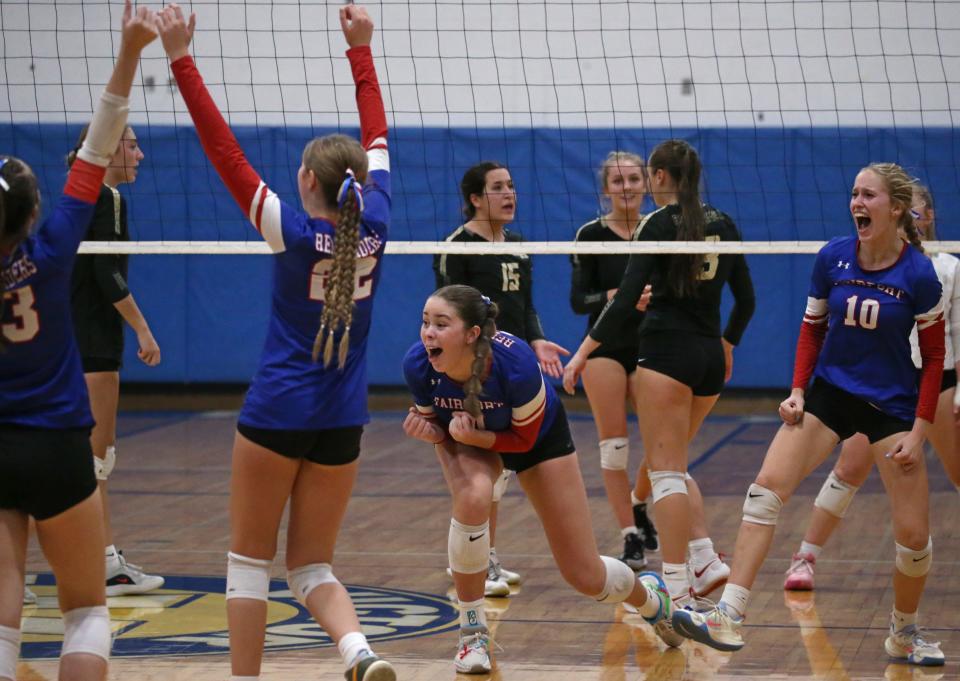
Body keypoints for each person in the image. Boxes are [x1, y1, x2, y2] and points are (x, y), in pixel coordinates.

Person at [157, 4, 396, 681]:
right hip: (342, 420)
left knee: (247, 562)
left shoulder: (288, 232)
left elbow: (222, 148)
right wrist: (362, 49)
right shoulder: (376, 220)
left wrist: (180, 58)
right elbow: (378, 138)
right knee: (312, 563)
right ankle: (359, 650)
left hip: (276, 413)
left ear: (306, 184)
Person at [672, 163, 946, 668]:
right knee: (765, 489)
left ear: (897, 208)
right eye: (854, 194)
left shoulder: (919, 275)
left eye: (869, 195)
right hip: (831, 393)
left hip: (892, 406)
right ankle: (729, 613)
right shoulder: (834, 258)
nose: (857, 203)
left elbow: (933, 359)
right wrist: (797, 390)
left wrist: (920, 429)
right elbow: (812, 328)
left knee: (913, 539)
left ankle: (903, 633)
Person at [403, 284, 674, 674]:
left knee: (584, 575)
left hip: (535, 438)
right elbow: (436, 426)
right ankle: (472, 636)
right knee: (473, 495)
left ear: (472, 333)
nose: (428, 332)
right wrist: (430, 431)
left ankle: (651, 599)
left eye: (441, 324)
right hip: (471, 439)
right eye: (425, 322)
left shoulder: (516, 364)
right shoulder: (419, 364)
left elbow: (522, 439)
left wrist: (474, 436)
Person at [0, 4, 157, 680]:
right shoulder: (59, 243)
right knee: (87, 613)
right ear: (35, 213)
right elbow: (98, 142)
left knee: (3, 622)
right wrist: (129, 51)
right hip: (61, 442)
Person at [563, 139, 755, 644]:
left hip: (666, 355)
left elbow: (627, 300)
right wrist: (728, 344)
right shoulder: (725, 223)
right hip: (710, 359)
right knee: (673, 462)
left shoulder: (658, 224)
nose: (644, 183)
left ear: (663, 177)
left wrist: (583, 353)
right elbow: (747, 301)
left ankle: (677, 595)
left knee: (666, 471)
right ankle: (706, 559)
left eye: (649, 174)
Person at [784, 181, 960, 591]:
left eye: (913, 214)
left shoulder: (948, 268)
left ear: (925, 217)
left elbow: (955, 331)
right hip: (886, 389)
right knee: (848, 467)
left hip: (940, 384)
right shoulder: (868, 263)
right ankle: (806, 556)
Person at [434, 161, 569, 595]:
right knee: (479, 473)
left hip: (509, 369)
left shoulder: (519, 243)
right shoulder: (459, 246)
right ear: (476, 198)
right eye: (497, 188)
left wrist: (538, 340)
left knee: (499, 474)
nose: (509, 194)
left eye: (511, 185)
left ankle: (484, 558)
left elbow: (525, 305)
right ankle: (473, 565)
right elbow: (447, 313)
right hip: (473, 374)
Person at [67, 123, 164, 597]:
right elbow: (107, 273)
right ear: (108, 152)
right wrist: (143, 328)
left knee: (79, 457)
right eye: (131, 144)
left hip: (70, 341)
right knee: (96, 461)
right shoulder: (108, 198)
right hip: (95, 345)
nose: (140, 155)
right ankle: (103, 565)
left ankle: (92, 560)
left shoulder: (78, 195)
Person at [570, 151, 660, 568]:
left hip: (652, 345)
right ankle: (629, 536)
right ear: (606, 189)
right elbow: (577, 300)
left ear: (646, 184)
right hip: (603, 346)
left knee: (661, 442)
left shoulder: (661, 228)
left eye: (634, 180)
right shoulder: (589, 234)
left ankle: (640, 502)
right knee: (614, 449)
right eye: (618, 181)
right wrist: (615, 297)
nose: (627, 188)